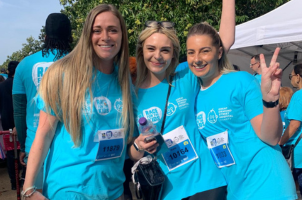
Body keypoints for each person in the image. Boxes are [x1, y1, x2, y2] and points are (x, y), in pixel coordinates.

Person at [22, 4, 145, 199]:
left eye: (113, 30)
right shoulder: (63, 74)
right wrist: (29, 188)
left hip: (113, 190)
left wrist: (140, 145)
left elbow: (128, 144)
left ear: (122, 36)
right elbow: (44, 133)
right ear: (88, 35)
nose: (105, 37)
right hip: (70, 189)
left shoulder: (125, 82)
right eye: (97, 30)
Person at [132, 1, 235, 199]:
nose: (158, 56)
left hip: (205, 182)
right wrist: (139, 146)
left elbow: (224, 42)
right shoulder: (132, 95)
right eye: (151, 48)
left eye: (165, 50)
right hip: (165, 189)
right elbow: (131, 152)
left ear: (173, 54)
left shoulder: (184, 76)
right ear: (141, 50)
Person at [187, 22, 297, 199]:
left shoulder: (240, 81)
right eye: (191, 52)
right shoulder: (193, 95)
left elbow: (270, 137)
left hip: (268, 184)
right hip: (236, 190)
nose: (197, 58)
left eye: (205, 51)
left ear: (219, 53)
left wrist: (270, 100)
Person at [12, 13, 72, 191]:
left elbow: (19, 111)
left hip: (35, 146)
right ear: (70, 37)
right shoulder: (80, 64)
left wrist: (23, 145)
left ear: (45, 37)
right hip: (70, 149)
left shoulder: (24, 65)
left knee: (35, 193)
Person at [279, 64, 302, 195]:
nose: (291, 79)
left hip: (297, 155)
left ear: (298, 77)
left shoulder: (298, 96)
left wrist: (280, 142)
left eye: (291, 76)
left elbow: (294, 125)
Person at [0, 61, 20, 190]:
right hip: (21, 125)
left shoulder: (1, 86)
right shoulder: (22, 84)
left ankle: (14, 182)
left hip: (7, 126)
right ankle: (24, 179)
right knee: (23, 150)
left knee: (10, 153)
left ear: (8, 71)